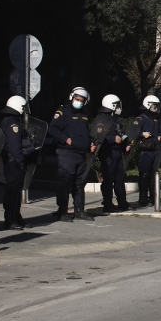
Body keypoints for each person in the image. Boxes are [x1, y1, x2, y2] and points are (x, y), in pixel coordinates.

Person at [48, 87, 96, 222]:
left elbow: (86, 132)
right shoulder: (63, 111)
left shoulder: (84, 114)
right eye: (77, 99)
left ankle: (79, 210)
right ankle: (62, 211)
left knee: (80, 183)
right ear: (72, 97)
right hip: (67, 153)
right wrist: (66, 140)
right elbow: (53, 129)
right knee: (65, 182)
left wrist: (90, 143)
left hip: (81, 154)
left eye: (82, 100)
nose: (79, 102)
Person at [94, 94, 131, 213]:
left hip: (117, 152)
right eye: (117, 106)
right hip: (108, 153)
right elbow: (99, 136)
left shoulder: (114, 119)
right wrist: (113, 139)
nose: (119, 108)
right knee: (108, 179)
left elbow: (121, 133)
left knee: (120, 179)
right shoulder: (101, 119)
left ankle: (122, 203)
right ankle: (108, 203)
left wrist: (126, 143)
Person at [0, 96, 29, 230]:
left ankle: (16, 217)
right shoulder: (13, 124)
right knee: (12, 192)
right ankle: (10, 220)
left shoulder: (8, 121)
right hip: (13, 163)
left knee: (16, 192)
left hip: (12, 161)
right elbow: (15, 146)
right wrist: (21, 162)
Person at [133, 95, 161, 207]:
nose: (156, 108)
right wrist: (142, 134)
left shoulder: (155, 119)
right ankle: (143, 198)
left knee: (153, 175)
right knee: (144, 175)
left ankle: (152, 198)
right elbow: (133, 132)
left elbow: (159, 131)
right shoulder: (141, 118)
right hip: (145, 151)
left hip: (154, 150)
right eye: (154, 105)